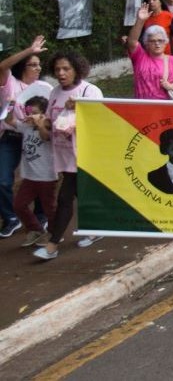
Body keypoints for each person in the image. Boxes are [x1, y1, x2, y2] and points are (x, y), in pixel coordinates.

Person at [34, 53, 103, 260]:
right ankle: (96, 226)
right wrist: (39, 124)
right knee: (80, 194)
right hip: (63, 155)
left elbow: (100, 121)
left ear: (77, 69)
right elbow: (49, 124)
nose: (61, 74)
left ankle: (52, 244)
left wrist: (79, 109)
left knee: (65, 198)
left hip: (84, 154)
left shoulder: (89, 91)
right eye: (57, 70)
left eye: (66, 69)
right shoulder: (54, 92)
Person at [0, 35, 48, 238]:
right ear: (23, 67)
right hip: (10, 137)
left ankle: (41, 216)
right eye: (33, 65)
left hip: (34, 137)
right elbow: (3, 65)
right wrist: (30, 50)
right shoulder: (10, 83)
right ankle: (11, 218)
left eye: (39, 65)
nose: (38, 68)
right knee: (2, 180)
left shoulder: (45, 88)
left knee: (40, 176)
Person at [10, 95, 55, 249]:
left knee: (50, 208)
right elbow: (9, 121)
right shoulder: (26, 127)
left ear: (43, 113)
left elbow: (45, 137)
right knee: (18, 205)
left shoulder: (49, 126)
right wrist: (10, 106)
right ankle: (36, 229)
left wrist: (40, 123)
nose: (29, 115)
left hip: (46, 177)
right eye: (27, 111)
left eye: (33, 112)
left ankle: (55, 233)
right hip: (29, 177)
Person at [128, 3, 173, 101]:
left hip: (165, 110)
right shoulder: (140, 57)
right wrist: (140, 21)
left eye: (160, 40)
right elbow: (132, 42)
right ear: (146, 43)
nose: (157, 44)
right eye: (153, 41)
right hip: (142, 109)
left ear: (166, 42)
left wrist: (172, 86)